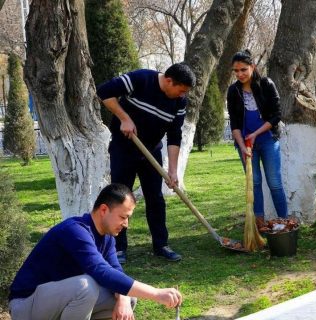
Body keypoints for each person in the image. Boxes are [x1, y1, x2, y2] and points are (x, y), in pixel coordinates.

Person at [8, 183, 183, 320]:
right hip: (25, 306)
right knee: (86, 287)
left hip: (55, 303)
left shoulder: (106, 237)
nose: (126, 224)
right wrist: (156, 293)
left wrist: (122, 299)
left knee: (128, 299)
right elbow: (101, 270)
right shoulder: (75, 231)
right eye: (123, 217)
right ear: (104, 210)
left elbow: (115, 270)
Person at [97, 63, 196, 263]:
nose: (182, 95)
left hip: (151, 151)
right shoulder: (141, 79)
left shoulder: (179, 102)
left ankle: (161, 244)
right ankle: (118, 248)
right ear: (169, 81)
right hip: (123, 148)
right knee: (120, 198)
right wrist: (124, 118)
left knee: (156, 199)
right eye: (181, 90)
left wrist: (173, 171)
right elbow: (104, 92)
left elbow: (175, 136)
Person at [226, 50, 288, 226]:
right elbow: (235, 124)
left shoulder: (266, 84)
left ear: (252, 67)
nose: (240, 74)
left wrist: (255, 134)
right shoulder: (233, 91)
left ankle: (285, 223)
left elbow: (276, 116)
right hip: (245, 144)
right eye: (236, 71)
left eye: (243, 69)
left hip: (268, 140)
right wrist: (242, 146)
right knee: (254, 183)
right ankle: (259, 224)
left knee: (274, 182)